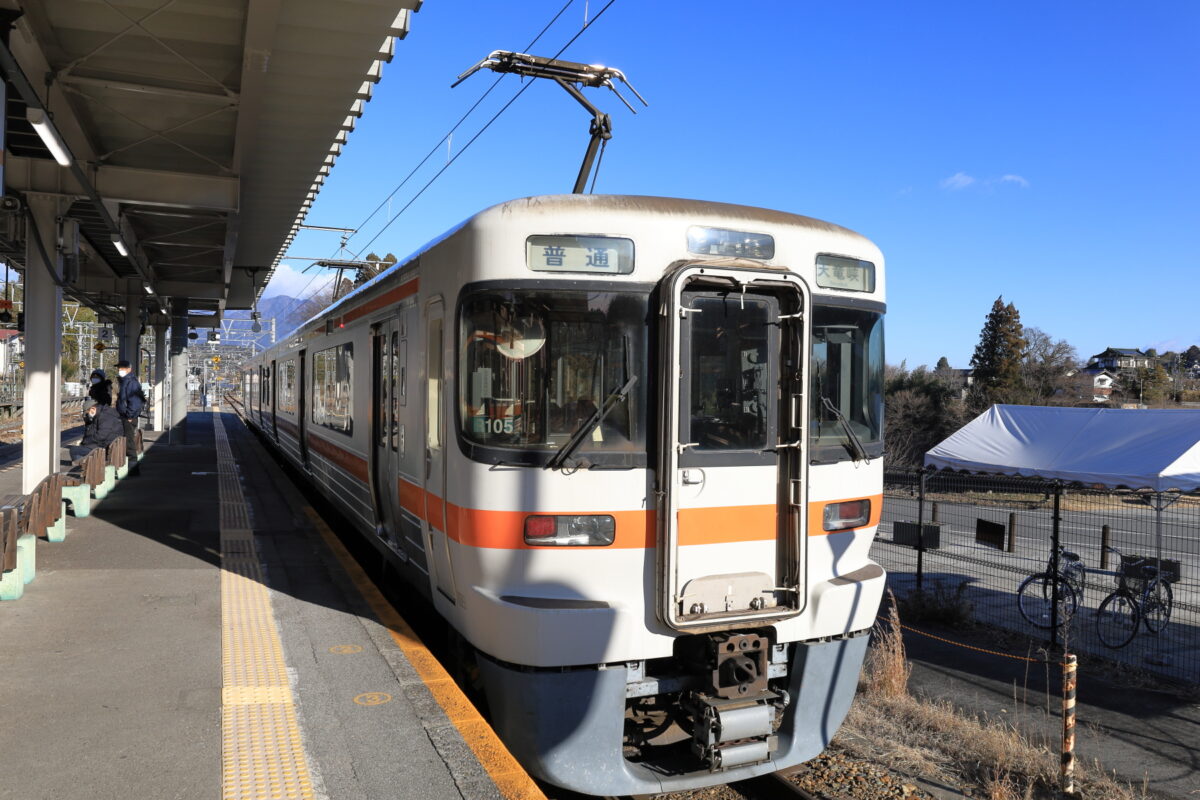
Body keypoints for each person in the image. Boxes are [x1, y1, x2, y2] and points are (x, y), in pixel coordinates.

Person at [114, 359, 146, 475]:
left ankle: (133, 469)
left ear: (129, 369)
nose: (119, 370)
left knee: (129, 443)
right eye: (119, 368)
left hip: (128, 417)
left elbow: (135, 401)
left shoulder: (131, 382)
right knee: (127, 441)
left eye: (122, 368)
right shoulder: (125, 381)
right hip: (125, 416)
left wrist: (130, 415)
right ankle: (130, 467)